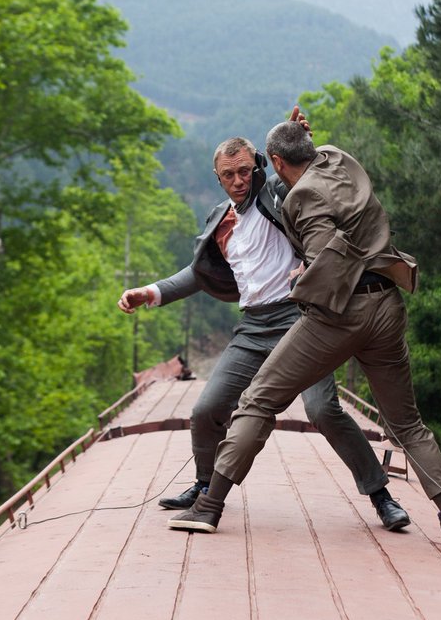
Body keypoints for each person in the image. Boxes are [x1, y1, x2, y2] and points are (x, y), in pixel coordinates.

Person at [168, 121, 441, 551]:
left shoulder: (300, 200)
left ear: (271, 163)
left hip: (341, 314)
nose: (239, 180)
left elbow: (326, 257)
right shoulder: (338, 159)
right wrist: (294, 132)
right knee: (407, 423)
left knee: (259, 400)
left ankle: (209, 507)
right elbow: (304, 165)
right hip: (387, 305)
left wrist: (304, 274)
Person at [117, 111, 411, 532]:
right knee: (207, 409)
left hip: (302, 320)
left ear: (257, 167)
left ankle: (381, 495)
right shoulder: (221, 222)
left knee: (322, 408)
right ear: (218, 179)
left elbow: (299, 171)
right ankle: (204, 488)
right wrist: (151, 292)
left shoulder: (277, 195)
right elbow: (197, 273)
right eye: (228, 175)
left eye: (243, 170)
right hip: (253, 328)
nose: (238, 180)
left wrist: (298, 137)